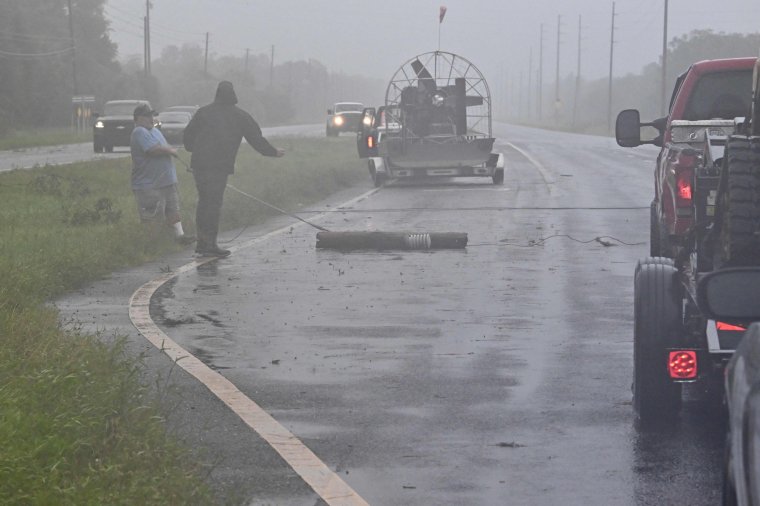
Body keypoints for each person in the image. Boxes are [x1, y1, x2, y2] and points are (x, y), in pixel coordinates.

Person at [183, 81, 284, 257]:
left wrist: (194, 150)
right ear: (233, 96)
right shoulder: (240, 116)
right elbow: (256, 138)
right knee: (213, 204)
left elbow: (188, 136)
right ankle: (209, 244)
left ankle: (203, 242)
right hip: (219, 166)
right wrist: (273, 152)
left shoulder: (203, 112)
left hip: (200, 165)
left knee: (204, 201)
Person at [130, 103, 194, 244]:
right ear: (138, 118)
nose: (151, 118)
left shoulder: (155, 131)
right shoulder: (139, 132)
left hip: (166, 180)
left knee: (173, 209)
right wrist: (169, 151)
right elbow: (152, 150)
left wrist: (169, 151)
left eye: (152, 115)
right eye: (147, 116)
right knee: (151, 215)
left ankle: (179, 237)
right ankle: (151, 243)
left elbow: (163, 146)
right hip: (148, 184)